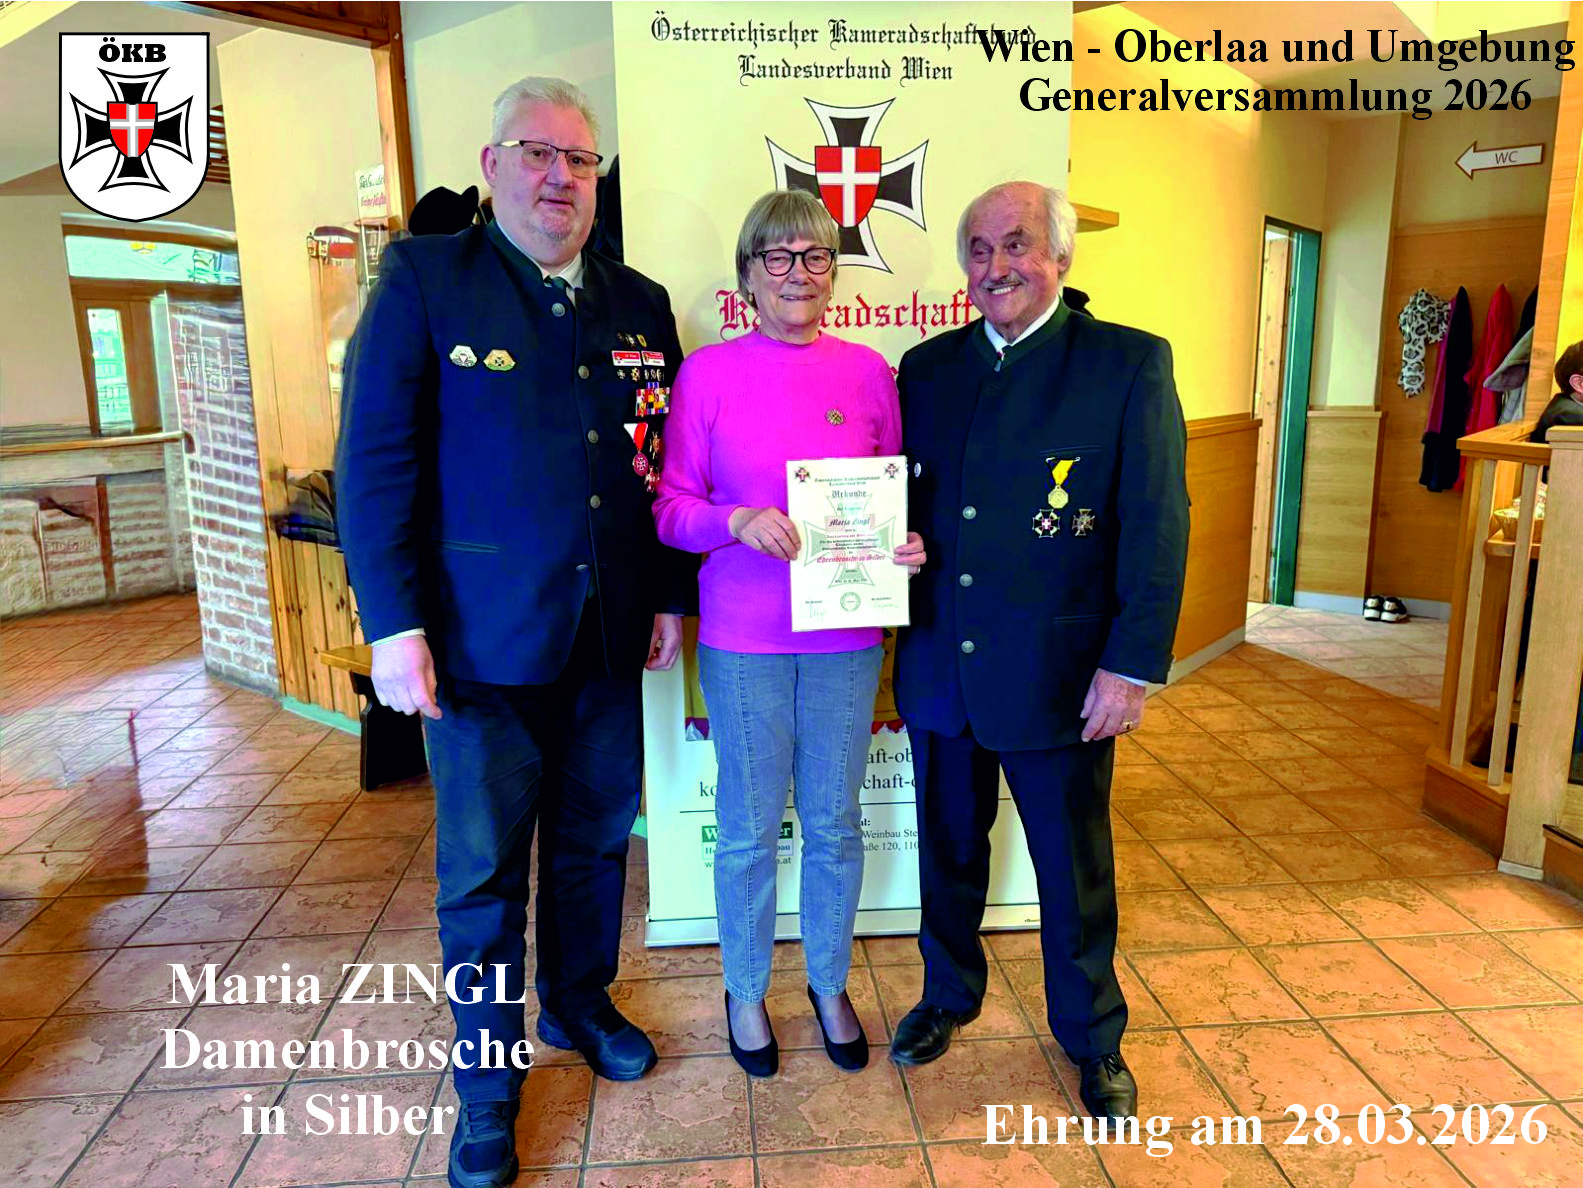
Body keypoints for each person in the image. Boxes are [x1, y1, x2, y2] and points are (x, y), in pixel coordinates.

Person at [335, 77, 691, 1188]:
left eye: (579, 160)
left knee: (594, 844)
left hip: (606, 639)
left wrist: (667, 592)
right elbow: (374, 464)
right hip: (476, 648)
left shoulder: (639, 301)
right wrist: (393, 624)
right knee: (484, 876)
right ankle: (488, 1084)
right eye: (536, 153)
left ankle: (578, 1002)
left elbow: (656, 467)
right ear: (492, 167)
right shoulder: (426, 277)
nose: (559, 178)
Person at [887, 182, 1189, 1121]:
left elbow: (1156, 523)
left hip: (1061, 674)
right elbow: (907, 500)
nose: (995, 267)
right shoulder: (926, 368)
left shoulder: (1126, 363)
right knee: (947, 851)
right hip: (942, 663)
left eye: (1015, 245)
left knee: (1072, 869)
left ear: (1059, 256)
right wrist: (892, 545)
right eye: (978, 250)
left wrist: (1129, 666)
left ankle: (1092, 1035)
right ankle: (947, 994)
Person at [653, 189, 926, 1078]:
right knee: (745, 830)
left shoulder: (869, 373)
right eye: (777, 257)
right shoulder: (708, 375)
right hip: (743, 642)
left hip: (846, 641)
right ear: (747, 276)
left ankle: (828, 982)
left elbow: (890, 498)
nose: (797, 273)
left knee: (836, 825)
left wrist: (904, 545)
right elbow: (671, 509)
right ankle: (744, 990)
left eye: (814, 257)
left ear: (833, 273)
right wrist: (734, 522)